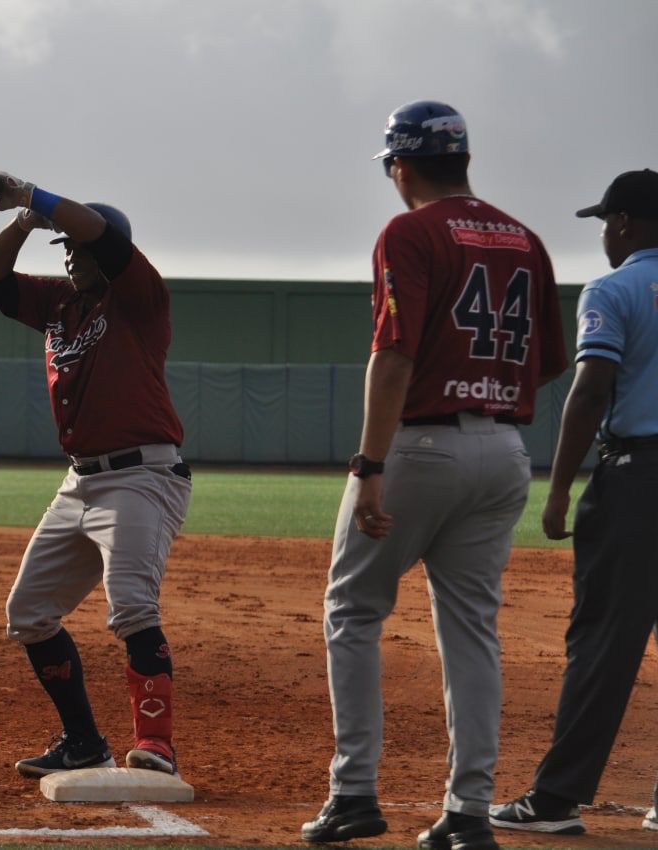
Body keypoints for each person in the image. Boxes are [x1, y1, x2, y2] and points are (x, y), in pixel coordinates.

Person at [301, 101, 567, 850]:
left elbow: (394, 353)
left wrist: (370, 465)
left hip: (420, 445)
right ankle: (468, 811)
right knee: (472, 629)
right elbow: (548, 361)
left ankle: (354, 793)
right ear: (467, 162)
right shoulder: (524, 237)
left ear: (402, 166)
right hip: (506, 454)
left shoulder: (408, 231)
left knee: (353, 612)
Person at [0, 172, 192, 779]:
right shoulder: (58, 304)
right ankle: (83, 741)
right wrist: (23, 223)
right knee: (29, 612)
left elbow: (98, 233)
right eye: (63, 248)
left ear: (107, 253)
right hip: (81, 480)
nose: (70, 255)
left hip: (142, 476)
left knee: (132, 608)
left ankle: (158, 744)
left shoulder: (139, 296)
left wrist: (33, 196)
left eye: (77, 247)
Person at [490, 169, 658, 836]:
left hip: (638, 483)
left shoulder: (614, 289)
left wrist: (557, 488)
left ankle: (557, 799)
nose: (604, 235)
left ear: (624, 222)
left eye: (606, 223)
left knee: (603, 642)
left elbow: (590, 390)